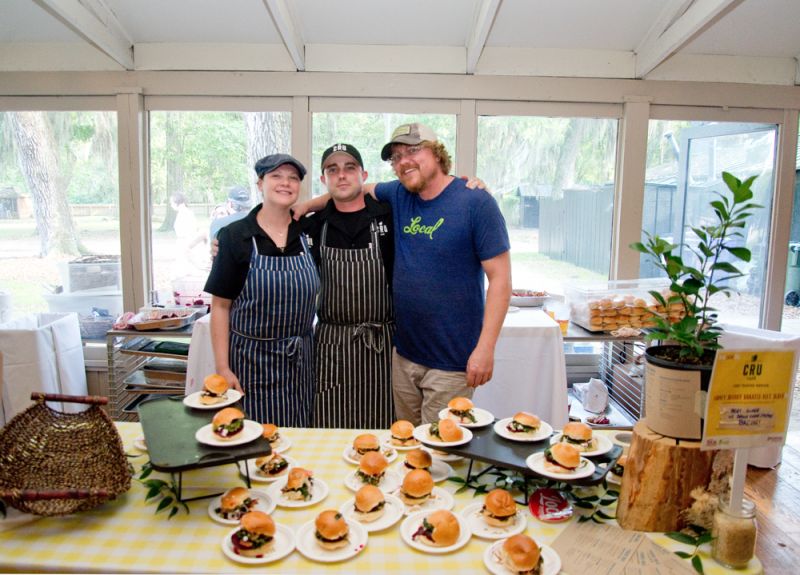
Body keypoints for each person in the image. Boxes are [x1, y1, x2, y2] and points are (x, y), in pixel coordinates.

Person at [296, 124, 511, 425]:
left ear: (438, 153)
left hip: (452, 360)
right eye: (396, 157)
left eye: (413, 150)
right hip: (404, 355)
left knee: (439, 449)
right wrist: (303, 206)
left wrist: (486, 348)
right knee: (406, 445)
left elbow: (500, 280)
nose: (404, 161)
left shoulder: (475, 202)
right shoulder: (398, 195)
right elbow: (349, 190)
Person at [203, 154, 319, 425]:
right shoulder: (235, 236)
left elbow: (342, 197)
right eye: (276, 176)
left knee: (299, 436)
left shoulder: (308, 231)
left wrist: (310, 204)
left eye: (293, 178)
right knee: (254, 441)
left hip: (300, 363)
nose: (285, 183)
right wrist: (223, 367)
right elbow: (220, 306)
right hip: (250, 365)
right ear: (260, 183)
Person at [304, 143, 395, 429]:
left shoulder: (389, 217)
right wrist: (223, 240)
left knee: (383, 433)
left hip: (383, 345)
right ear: (323, 180)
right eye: (333, 170)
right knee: (330, 427)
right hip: (332, 346)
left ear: (363, 175)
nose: (341, 176)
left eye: (349, 168)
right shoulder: (312, 226)